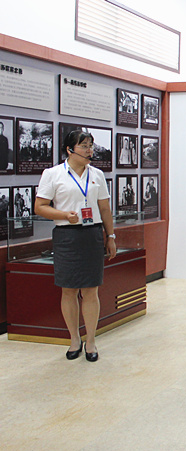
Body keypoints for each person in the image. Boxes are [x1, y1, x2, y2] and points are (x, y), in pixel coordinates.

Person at [34, 130, 116, 362]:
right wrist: (63, 215)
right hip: (66, 236)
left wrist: (111, 236)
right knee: (68, 290)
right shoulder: (53, 174)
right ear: (70, 149)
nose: (90, 151)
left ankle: (91, 341)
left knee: (90, 290)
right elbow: (40, 207)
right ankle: (74, 339)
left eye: (91, 146)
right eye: (84, 146)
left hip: (92, 235)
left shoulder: (97, 175)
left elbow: (105, 209)